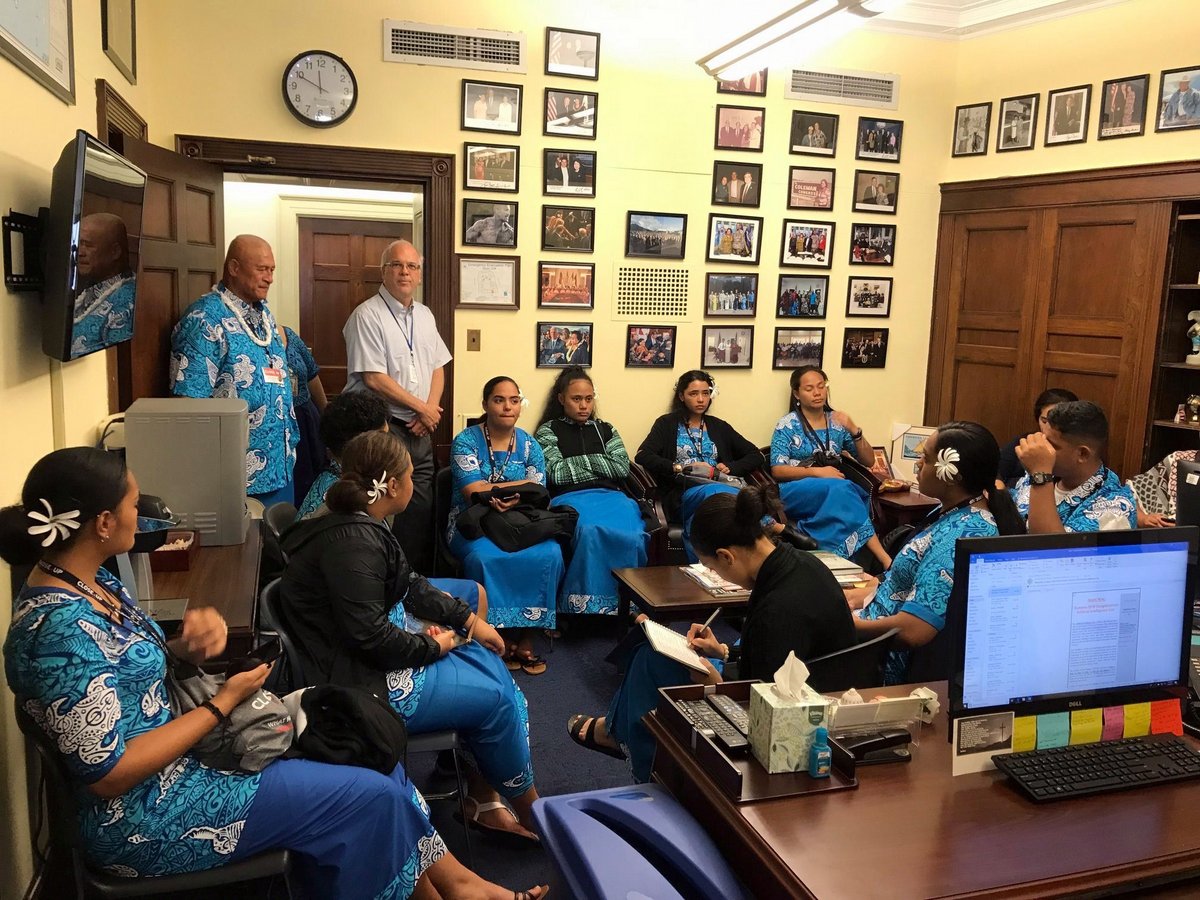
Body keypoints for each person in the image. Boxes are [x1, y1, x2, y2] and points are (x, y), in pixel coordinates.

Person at [0, 447, 546, 900]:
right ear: (102, 523)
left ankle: (459, 886)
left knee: (366, 746)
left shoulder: (93, 583)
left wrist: (184, 649)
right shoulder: (56, 634)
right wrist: (223, 701)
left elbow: (124, 677)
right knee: (368, 797)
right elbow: (110, 774)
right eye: (132, 505)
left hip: (189, 753)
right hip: (147, 813)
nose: (141, 515)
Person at [280, 431, 537, 844]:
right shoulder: (353, 542)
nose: (415, 483)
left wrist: (468, 620)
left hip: (362, 656)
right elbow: (372, 639)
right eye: (411, 476)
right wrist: (434, 645)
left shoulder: (360, 524)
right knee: (498, 696)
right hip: (361, 683)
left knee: (490, 667)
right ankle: (533, 813)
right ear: (394, 485)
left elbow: (408, 582)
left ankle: (487, 797)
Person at [566, 485, 855, 782]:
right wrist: (723, 652)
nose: (716, 574)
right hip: (813, 683)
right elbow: (781, 655)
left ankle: (640, 762)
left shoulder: (778, 609)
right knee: (649, 653)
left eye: (711, 567)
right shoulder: (799, 563)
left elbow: (764, 707)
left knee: (650, 663)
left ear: (726, 556)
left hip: (800, 718)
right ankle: (625, 741)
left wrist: (716, 684)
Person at [852, 422, 1027, 683]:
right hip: (870, 628)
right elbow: (904, 586)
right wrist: (855, 597)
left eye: (926, 458)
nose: (918, 464)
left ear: (952, 475)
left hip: (879, 661)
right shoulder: (952, 511)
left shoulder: (965, 533)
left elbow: (914, 631)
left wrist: (850, 626)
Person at [343, 238, 450, 575]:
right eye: (397, 265)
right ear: (383, 271)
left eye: (412, 266)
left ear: (419, 274)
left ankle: (414, 582)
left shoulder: (426, 315)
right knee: (383, 511)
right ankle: (383, 581)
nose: (405, 272)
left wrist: (429, 409)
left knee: (420, 512)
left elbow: (438, 367)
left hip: (419, 429)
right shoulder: (367, 315)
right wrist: (423, 408)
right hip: (383, 429)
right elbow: (374, 378)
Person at [170, 235, 298, 507]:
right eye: (261, 269)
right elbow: (189, 407)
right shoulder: (204, 320)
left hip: (280, 465)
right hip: (236, 478)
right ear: (234, 268)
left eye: (272, 270)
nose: (270, 278)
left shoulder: (262, 313)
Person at [449, 377, 565, 674]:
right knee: (484, 557)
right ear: (485, 404)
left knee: (550, 553)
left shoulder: (529, 444)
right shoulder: (466, 440)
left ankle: (527, 632)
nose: (507, 406)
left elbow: (538, 491)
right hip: (473, 523)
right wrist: (516, 487)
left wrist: (499, 493)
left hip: (520, 520)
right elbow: (473, 491)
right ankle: (494, 635)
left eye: (514, 400)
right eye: (499, 400)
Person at [534, 368, 648, 616]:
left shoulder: (606, 429)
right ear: (561, 399)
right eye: (576, 399)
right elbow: (556, 473)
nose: (584, 405)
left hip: (613, 496)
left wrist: (576, 463)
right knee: (589, 531)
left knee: (633, 535)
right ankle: (584, 608)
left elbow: (621, 467)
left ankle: (628, 604)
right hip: (571, 497)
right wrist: (601, 463)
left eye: (589, 398)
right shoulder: (548, 431)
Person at [635, 370, 764, 562]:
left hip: (719, 486)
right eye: (693, 394)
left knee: (703, 512)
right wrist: (678, 467)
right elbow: (643, 455)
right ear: (681, 396)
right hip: (683, 492)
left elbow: (756, 455)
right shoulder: (667, 423)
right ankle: (769, 524)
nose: (701, 399)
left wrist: (730, 467)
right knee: (714, 493)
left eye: (705, 393)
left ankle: (703, 569)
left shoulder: (719, 426)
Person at [770, 366, 890, 569]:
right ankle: (884, 558)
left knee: (841, 495)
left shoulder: (837, 422)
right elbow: (777, 470)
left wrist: (854, 429)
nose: (817, 393)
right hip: (794, 491)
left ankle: (833, 565)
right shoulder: (787, 425)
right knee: (844, 489)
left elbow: (869, 461)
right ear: (797, 394)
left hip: (834, 490)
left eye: (821, 386)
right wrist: (817, 472)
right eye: (809, 389)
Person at [1011, 400, 1137, 533]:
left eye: (1051, 444)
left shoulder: (1114, 509)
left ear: (1082, 454)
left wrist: (1040, 476)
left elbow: (1050, 545)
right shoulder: (1047, 470)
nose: (1041, 448)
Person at [295, 390, 388, 521]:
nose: (389, 447)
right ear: (360, 446)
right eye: (383, 440)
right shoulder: (344, 500)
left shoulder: (342, 479)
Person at [70, 213, 136, 358]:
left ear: (115, 252)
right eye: (78, 244)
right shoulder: (92, 287)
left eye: (88, 245)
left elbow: (119, 362)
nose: (80, 252)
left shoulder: (127, 303)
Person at [277, 325, 328, 510]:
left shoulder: (288, 334)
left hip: (305, 418)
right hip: (278, 423)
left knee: (312, 477)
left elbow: (312, 374)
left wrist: (326, 414)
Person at [997, 388, 1078, 485]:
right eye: (1044, 421)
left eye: (1056, 423)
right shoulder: (1025, 440)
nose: (1048, 428)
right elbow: (997, 470)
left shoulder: (1072, 450)